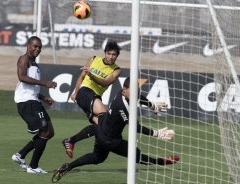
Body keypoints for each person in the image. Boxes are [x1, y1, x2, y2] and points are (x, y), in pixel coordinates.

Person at [52, 77, 179, 183]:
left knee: (97, 158)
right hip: (110, 139)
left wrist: (152, 105)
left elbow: (139, 96)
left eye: (137, 90)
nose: (136, 93)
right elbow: (136, 127)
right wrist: (157, 133)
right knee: (136, 155)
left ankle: (68, 166)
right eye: (133, 91)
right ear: (125, 90)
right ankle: (162, 161)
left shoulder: (122, 92)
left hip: (102, 126)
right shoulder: (122, 106)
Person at [62, 40, 122, 158]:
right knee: (105, 118)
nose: (111, 57)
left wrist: (91, 75)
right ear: (105, 53)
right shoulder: (93, 59)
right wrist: (75, 92)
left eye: (114, 55)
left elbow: (105, 82)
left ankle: (71, 141)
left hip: (95, 97)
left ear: (117, 56)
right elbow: (82, 76)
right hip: (85, 92)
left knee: (103, 126)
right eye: (109, 53)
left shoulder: (116, 70)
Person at [11, 36, 57, 174]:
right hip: (26, 103)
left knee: (50, 132)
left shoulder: (35, 64)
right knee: (44, 131)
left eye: (40, 47)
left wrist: (43, 97)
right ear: (28, 45)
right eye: (35, 46)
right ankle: (33, 166)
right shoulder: (23, 59)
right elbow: (22, 77)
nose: (37, 49)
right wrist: (45, 83)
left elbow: (31, 88)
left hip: (34, 101)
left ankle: (20, 155)